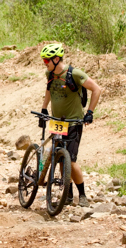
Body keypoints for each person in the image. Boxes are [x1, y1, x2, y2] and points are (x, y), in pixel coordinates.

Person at [39, 42, 102, 207]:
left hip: (73, 122)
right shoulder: (50, 74)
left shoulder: (74, 74)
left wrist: (90, 113)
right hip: (56, 122)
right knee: (60, 158)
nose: (44, 63)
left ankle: (82, 195)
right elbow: (49, 89)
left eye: (47, 60)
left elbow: (97, 89)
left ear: (57, 59)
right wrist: (44, 108)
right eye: (44, 60)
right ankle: (68, 193)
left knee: (71, 160)